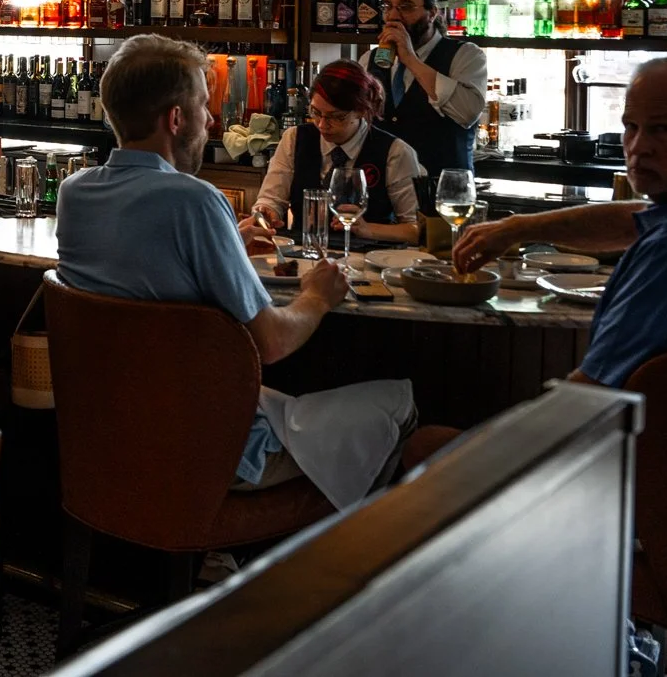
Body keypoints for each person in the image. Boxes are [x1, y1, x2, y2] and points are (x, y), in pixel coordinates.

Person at [56, 34, 417, 509]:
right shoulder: (196, 200)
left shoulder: (74, 192)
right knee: (400, 401)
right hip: (210, 445)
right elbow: (272, 342)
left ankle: (218, 554)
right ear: (176, 118)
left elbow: (152, 270)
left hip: (107, 431)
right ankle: (325, 561)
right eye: (205, 106)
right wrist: (316, 296)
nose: (210, 120)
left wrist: (229, 244)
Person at [454, 57, 667, 387]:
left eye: (663, 130)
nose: (638, 147)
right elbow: (634, 219)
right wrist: (518, 228)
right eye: (631, 127)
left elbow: (588, 399)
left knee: (426, 442)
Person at [256, 60, 424, 245]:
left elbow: (416, 230)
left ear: (361, 110)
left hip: (367, 263)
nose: (322, 124)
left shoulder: (395, 152)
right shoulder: (294, 139)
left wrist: (369, 229)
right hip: (304, 256)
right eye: (316, 112)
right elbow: (271, 200)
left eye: (336, 117)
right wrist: (267, 212)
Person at [359, 0, 486, 177]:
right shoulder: (369, 60)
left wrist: (410, 59)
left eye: (406, 7)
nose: (393, 16)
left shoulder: (466, 55)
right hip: (385, 189)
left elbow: (467, 113)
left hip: (444, 189)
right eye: (388, 7)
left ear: (433, 12)